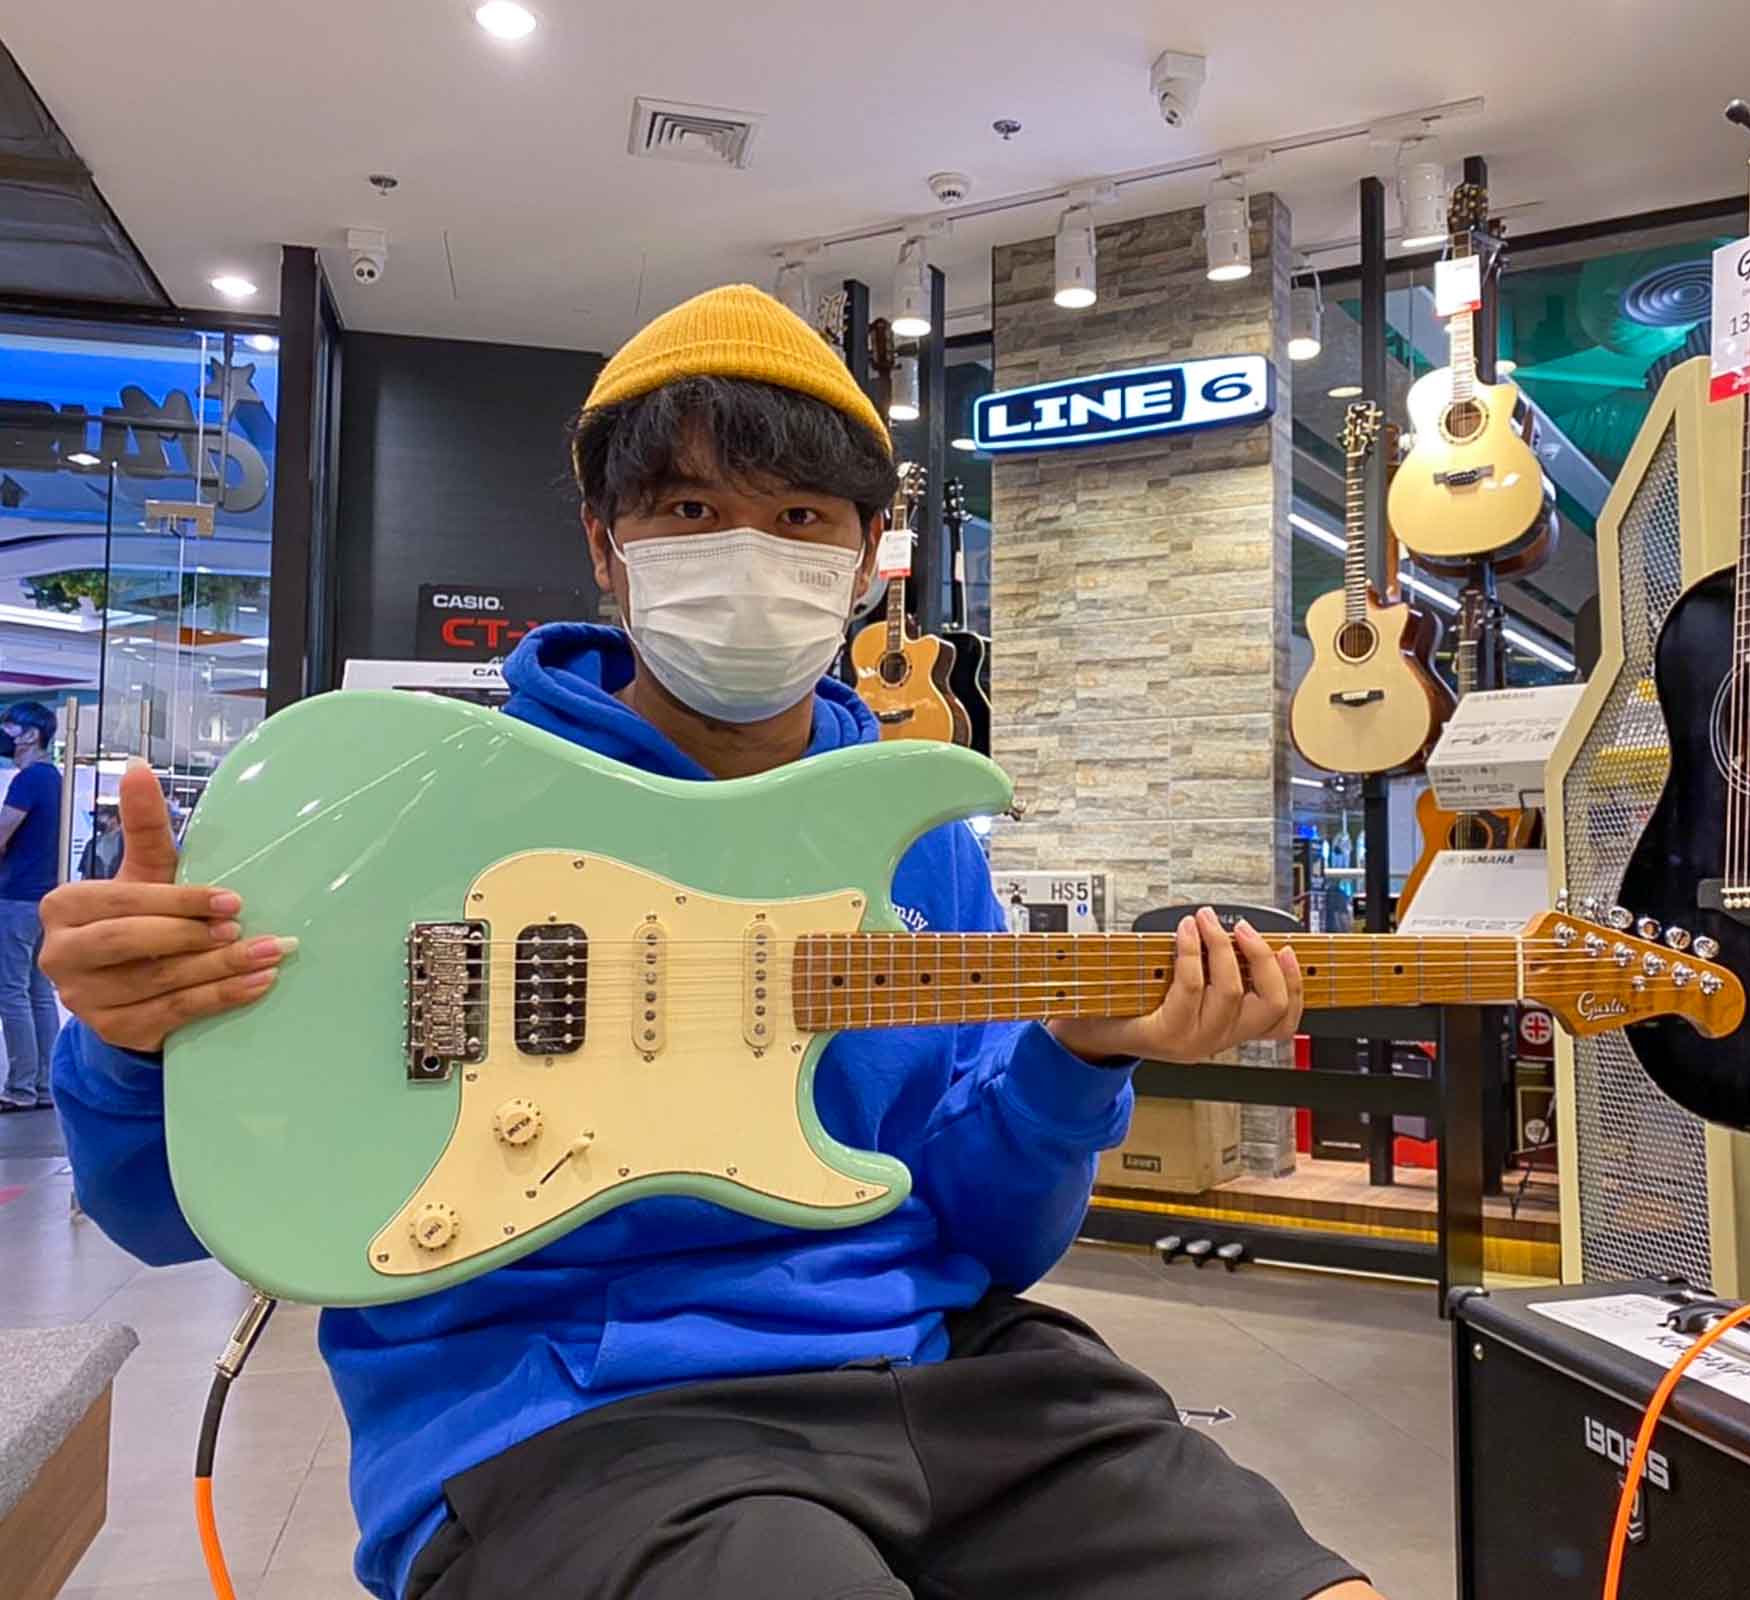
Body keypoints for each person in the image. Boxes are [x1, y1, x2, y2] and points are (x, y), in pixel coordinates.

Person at [42, 287, 1387, 1600]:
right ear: (604, 543)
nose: (747, 552)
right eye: (689, 511)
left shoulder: (919, 841)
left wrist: (1075, 1064)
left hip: (940, 1374)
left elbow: (992, 1241)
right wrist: (129, 1043)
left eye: (799, 517)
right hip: (561, 1418)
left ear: (865, 555)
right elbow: (157, 1214)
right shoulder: (412, 803)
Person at [0, 701, 63, 1111]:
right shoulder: (54, 777)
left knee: (11, 993)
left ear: (30, 735)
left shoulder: (27, 780)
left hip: (16, 896)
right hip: (44, 898)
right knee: (39, 992)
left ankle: (20, 1087)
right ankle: (43, 1085)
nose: (4, 733)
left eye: (9, 725)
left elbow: (2, 831)